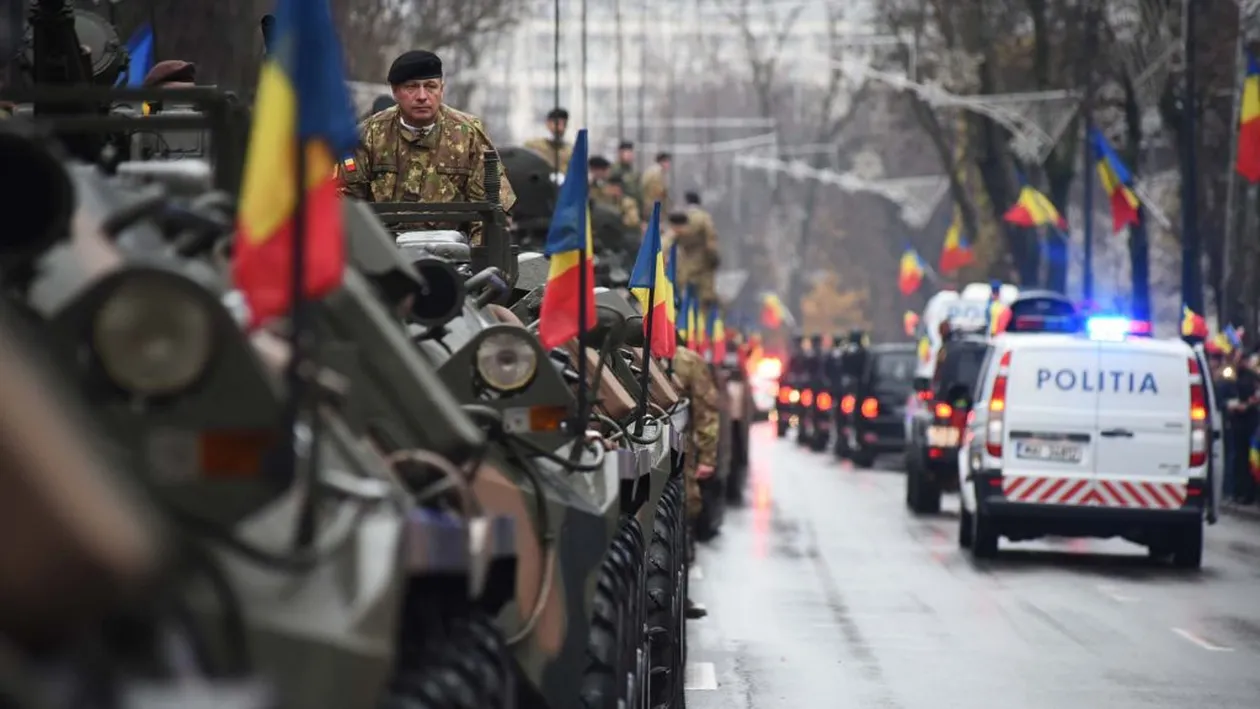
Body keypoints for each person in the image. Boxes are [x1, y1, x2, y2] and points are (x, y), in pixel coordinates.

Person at [337, 50, 516, 246]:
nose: (422, 96)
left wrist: (476, 258)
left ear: (442, 90)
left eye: (431, 86)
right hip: (381, 255)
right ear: (395, 91)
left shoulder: (468, 134)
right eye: (411, 87)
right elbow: (345, 204)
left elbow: (493, 210)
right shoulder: (368, 135)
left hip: (454, 258)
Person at [672, 339, 718, 620]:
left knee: (684, 516)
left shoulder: (686, 361)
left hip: (680, 453)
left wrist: (707, 457)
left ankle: (680, 592)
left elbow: (705, 411)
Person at [674, 191, 720, 307]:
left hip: (684, 263)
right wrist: (713, 258)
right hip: (702, 264)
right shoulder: (704, 218)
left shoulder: (680, 217)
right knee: (704, 301)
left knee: (685, 298)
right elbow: (711, 239)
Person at [522, 107, 573, 173]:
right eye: (557, 124)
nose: (561, 128)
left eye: (564, 124)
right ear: (548, 123)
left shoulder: (569, 151)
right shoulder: (532, 146)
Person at [610, 140, 642, 207]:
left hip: (635, 207)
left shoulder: (634, 172)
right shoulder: (614, 170)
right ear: (620, 153)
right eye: (626, 152)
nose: (629, 155)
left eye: (631, 152)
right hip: (622, 207)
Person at [640, 152, 671, 220]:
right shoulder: (657, 172)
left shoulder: (651, 170)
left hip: (647, 205)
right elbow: (658, 192)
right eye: (668, 162)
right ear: (663, 162)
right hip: (653, 206)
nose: (669, 165)